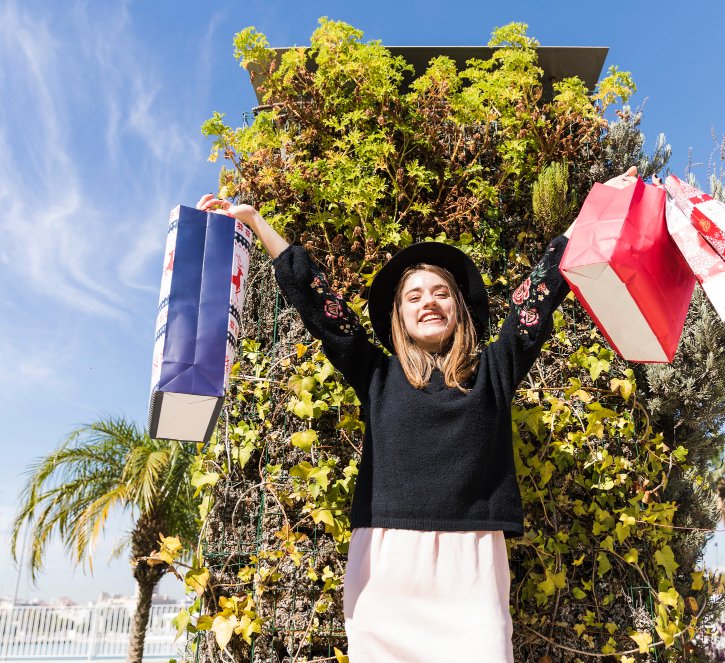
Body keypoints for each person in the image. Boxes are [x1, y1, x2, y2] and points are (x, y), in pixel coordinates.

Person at [196, 165, 639, 663]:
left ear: (459, 309)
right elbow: (320, 306)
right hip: (386, 571)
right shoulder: (376, 375)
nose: (429, 302)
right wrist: (255, 222)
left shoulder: (496, 369)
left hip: (471, 569)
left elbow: (541, 290)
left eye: (441, 292)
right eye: (414, 296)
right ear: (400, 316)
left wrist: (594, 213)